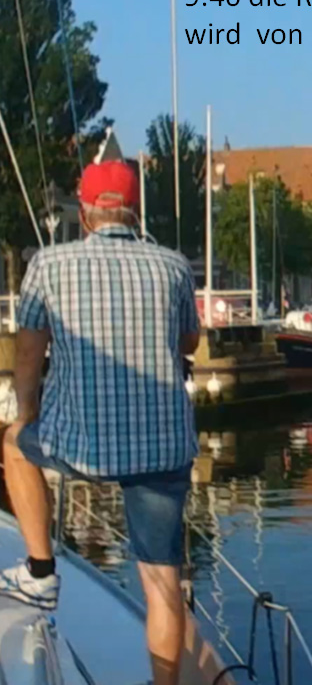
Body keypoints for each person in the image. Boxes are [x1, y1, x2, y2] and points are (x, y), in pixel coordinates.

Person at [0, 160, 200, 685]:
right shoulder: (174, 266)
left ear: (85, 214)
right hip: (164, 448)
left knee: (15, 445)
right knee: (161, 581)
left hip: (80, 446)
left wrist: (28, 413)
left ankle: (41, 575)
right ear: (134, 214)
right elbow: (189, 343)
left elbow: (28, 353)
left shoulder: (49, 263)